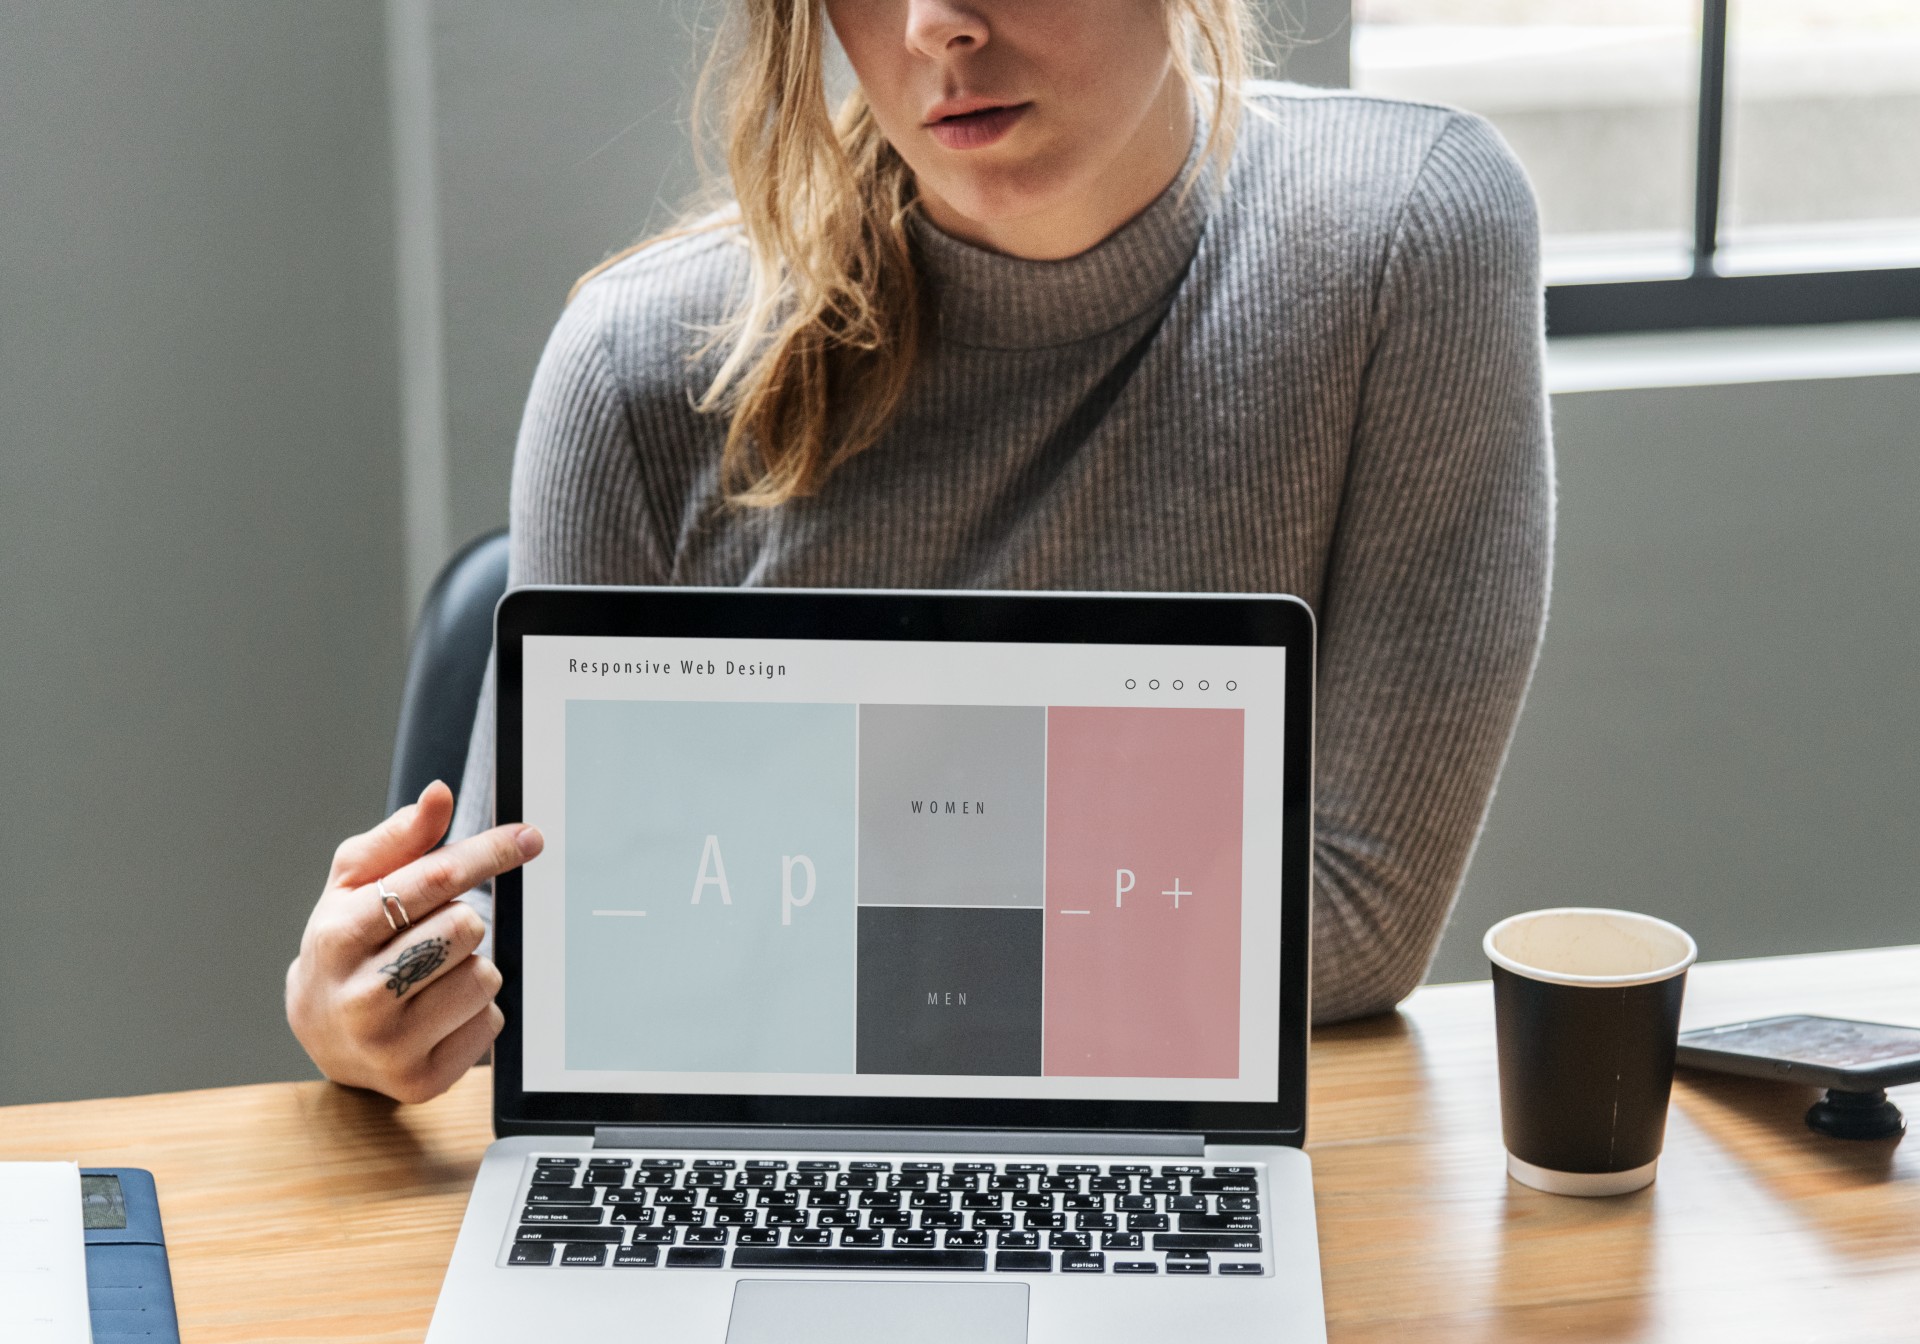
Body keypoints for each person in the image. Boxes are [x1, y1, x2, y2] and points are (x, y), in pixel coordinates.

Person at [287, 0, 1552, 1104]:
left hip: (1158, 1148)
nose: (932, 23)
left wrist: (755, 931)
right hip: (763, 1158)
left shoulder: (1403, 240)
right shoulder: (640, 365)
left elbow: (1349, 916)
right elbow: (539, 952)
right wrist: (371, 998)